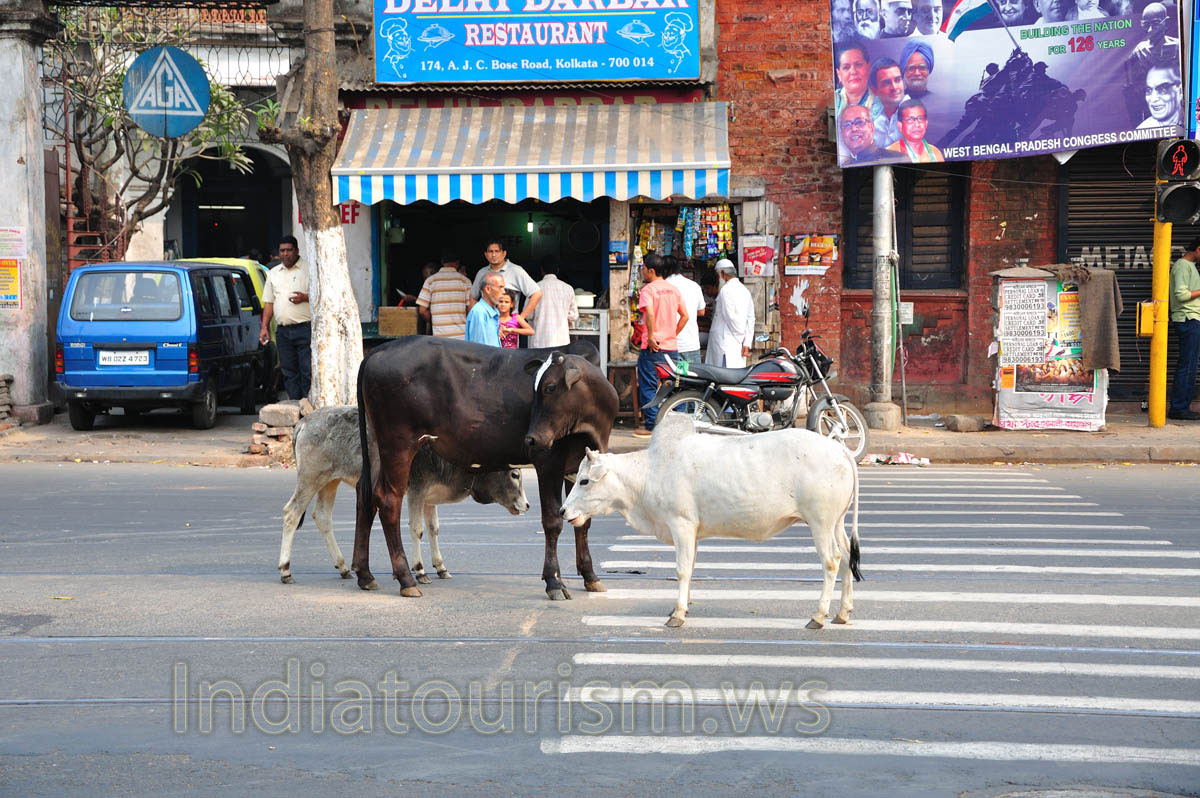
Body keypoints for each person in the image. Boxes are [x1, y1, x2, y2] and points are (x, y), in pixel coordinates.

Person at [634, 253, 688, 437]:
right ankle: (678, 425)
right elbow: (685, 316)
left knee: (648, 386)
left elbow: (649, 314)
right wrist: (672, 334)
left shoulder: (648, 290)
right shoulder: (673, 289)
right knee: (673, 384)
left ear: (651, 271)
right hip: (671, 347)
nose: (641, 271)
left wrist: (651, 336)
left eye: (642, 268)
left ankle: (653, 425)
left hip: (652, 347)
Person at [258, 235, 311, 400]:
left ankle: (308, 406)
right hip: (283, 332)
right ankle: (295, 404)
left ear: (296, 251)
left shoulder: (310, 269)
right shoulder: (273, 273)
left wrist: (305, 297)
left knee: (307, 370)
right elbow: (269, 303)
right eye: (282, 251)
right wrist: (264, 327)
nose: (285, 254)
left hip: (306, 328)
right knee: (288, 370)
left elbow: (324, 296)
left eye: (289, 250)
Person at [470, 238, 542, 325]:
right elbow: (473, 297)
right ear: (485, 254)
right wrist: (477, 319)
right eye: (490, 251)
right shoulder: (482, 273)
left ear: (504, 253)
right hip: (486, 324)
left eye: (497, 251)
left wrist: (520, 319)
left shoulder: (516, 270)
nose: (493, 255)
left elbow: (537, 293)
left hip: (508, 328)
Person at [1169, 238, 1200, 420]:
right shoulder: (1182, 266)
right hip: (1188, 320)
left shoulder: (1189, 267)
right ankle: (1179, 408)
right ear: (1198, 248)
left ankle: (1182, 406)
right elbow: (1181, 295)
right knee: (1187, 365)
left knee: (1190, 365)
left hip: (1192, 320)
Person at [705, 259, 755, 369]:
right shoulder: (744, 290)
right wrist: (746, 342)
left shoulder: (725, 290)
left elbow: (731, 317)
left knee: (723, 376)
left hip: (726, 343)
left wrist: (740, 338)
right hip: (734, 343)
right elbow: (750, 318)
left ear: (722, 274)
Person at [416, 251, 473, 339]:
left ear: (442, 263)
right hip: (461, 337)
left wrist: (435, 321)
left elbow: (422, 311)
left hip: (440, 338)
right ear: (457, 263)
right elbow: (470, 309)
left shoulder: (430, 281)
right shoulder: (465, 281)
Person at [526, 256, 579, 348]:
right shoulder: (568, 288)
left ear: (542, 270)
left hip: (539, 342)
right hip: (561, 342)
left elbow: (528, 315)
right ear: (557, 270)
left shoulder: (534, 288)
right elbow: (574, 316)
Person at [664, 257, 706, 365]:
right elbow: (701, 312)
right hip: (691, 343)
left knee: (670, 380)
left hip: (669, 344)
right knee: (693, 380)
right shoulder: (694, 285)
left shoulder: (662, 286)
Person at [834, 42, 884, 121]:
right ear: (839, 74)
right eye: (846, 67)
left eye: (858, 65)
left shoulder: (882, 106)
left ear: (868, 68)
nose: (853, 71)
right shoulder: (831, 103)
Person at [869, 57, 908, 148]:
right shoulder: (872, 120)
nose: (894, 87)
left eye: (898, 80)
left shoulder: (916, 114)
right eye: (886, 83)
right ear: (875, 91)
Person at [465, 271, 505, 347]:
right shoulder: (479, 313)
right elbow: (480, 351)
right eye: (500, 287)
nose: (504, 291)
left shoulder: (492, 311)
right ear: (488, 289)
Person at [1138, 63, 1182, 130]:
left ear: (1180, 91)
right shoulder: (1142, 130)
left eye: (1162, 90)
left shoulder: (1194, 122)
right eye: (1148, 90)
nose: (1153, 99)